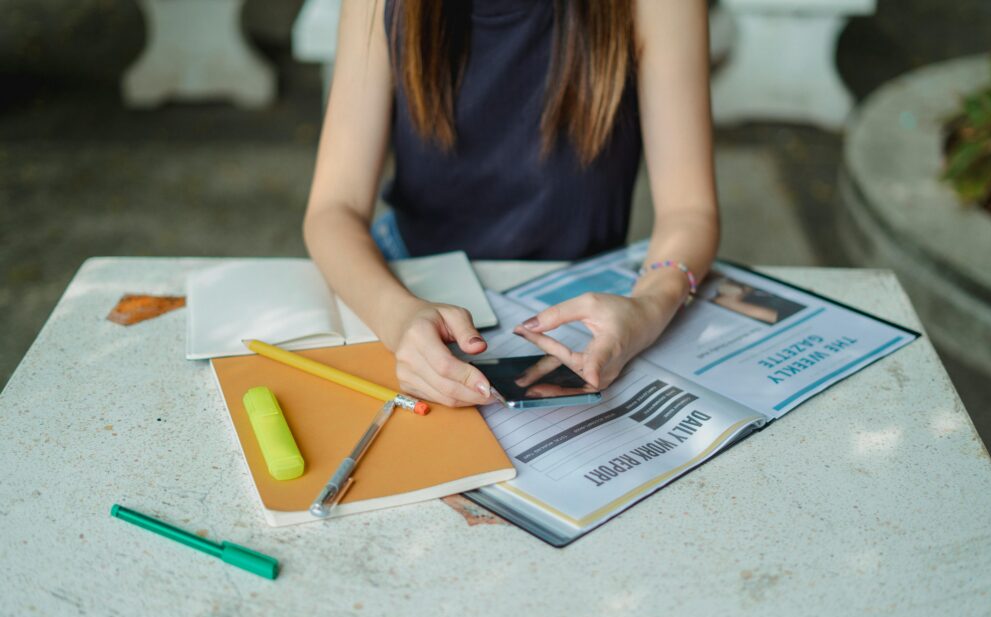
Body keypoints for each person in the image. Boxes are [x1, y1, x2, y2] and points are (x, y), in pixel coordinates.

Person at [303, 0, 718, 408]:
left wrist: (649, 305)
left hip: (584, 295)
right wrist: (396, 318)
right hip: (407, 277)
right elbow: (333, 209)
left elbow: (689, 209)